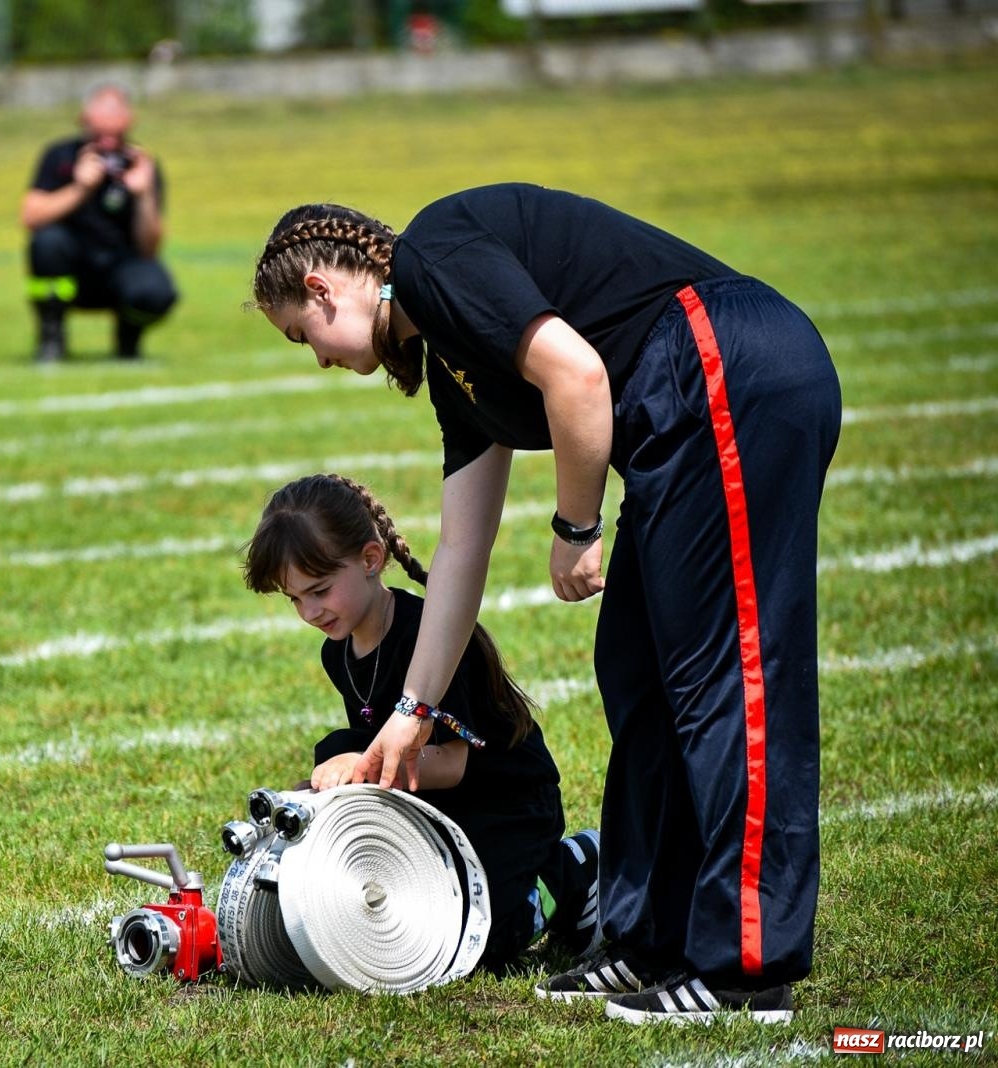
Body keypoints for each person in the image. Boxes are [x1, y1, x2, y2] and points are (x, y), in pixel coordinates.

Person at [248, 185, 842, 1024]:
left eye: (300, 335)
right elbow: (460, 552)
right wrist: (412, 713)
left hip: (725, 364)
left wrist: (576, 523)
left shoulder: (434, 254)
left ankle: (747, 966)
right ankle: (650, 941)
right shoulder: (455, 363)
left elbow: (578, 371)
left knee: (725, 682)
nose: (315, 357)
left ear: (322, 291)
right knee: (637, 674)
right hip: (684, 403)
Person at [244, 472, 601, 973]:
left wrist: (362, 767)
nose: (309, 611)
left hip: (506, 801)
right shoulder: (338, 653)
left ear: (371, 560)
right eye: (295, 598)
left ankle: (573, 868)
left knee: (486, 941)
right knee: (340, 755)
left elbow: (454, 764)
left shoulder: (425, 635)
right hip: (439, 800)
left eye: (320, 590)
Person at [20, 82, 177, 363]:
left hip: (119, 269)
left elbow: (151, 248)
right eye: (99, 134)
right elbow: (30, 216)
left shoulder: (141, 164)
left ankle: (128, 340)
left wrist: (143, 196)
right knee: (47, 243)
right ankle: (51, 337)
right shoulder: (60, 157)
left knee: (156, 290)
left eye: (114, 134)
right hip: (72, 272)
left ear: (129, 122)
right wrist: (79, 189)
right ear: (84, 120)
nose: (107, 143)